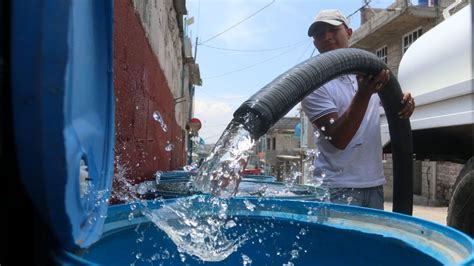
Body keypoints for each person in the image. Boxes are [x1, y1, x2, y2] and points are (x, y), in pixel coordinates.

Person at [301, 9, 415, 210]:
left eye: (333, 29)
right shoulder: (313, 85)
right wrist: (363, 95)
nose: (327, 36)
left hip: (374, 184)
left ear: (349, 33)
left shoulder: (367, 74)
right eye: (320, 34)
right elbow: (338, 139)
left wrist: (404, 102)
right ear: (315, 43)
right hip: (335, 189)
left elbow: (392, 103)